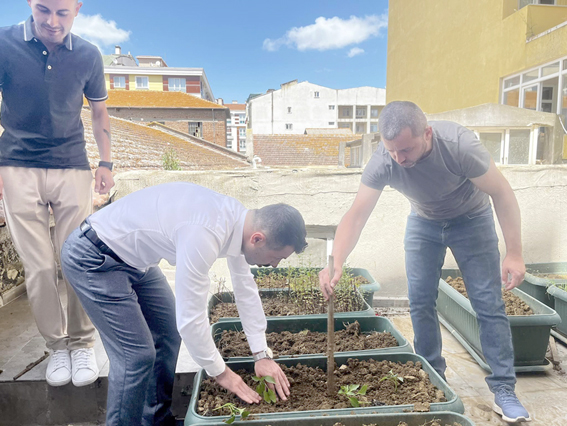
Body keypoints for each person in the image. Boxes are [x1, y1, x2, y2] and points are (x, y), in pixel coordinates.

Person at [319, 101, 530, 423]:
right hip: (424, 223)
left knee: (488, 303)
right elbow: (357, 213)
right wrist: (337, 261)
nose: (399, 159)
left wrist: (514, 252)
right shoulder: (383, 160)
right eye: (392, 151)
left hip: (472, 220)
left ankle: (504, 389)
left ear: (427, 133)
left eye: (406, 149)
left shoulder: (459, 145)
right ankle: (434, 374)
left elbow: (502, 193)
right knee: (419, 301)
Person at [60, 182, 308, 426]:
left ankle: (155, 421)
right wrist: (221, 373)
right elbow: (190, 319)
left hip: (134, 261)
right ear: (258, 239)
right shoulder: (205, 232)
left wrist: (261, 355)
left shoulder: (240, 222)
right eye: (277, 257)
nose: (275, 265)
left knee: (167, 332)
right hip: (94, 256)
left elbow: (245, 290)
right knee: (135, 356)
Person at [0, 0, 114, 387]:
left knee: (77, 260)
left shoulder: (88, 54)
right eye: (43, 9)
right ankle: (57, 346)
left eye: (61, 12)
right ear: (30, 4)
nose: (51, 21)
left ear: (77, 9)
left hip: (72, 167)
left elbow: (99, 113)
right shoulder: (3, 42)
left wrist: (106, 163)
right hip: (16, 167)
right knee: (39, 267)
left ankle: (82, 343)